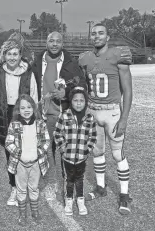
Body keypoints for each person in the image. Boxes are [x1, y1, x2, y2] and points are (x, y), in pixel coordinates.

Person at [78, 23, 133, 215]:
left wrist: (124, 118)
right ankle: (101, 188)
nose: (97, 36)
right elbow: (83, 86)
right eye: (94, 34)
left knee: (118, 155)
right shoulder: (85, 58)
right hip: (93, 111)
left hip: (112, 112)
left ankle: (124, 194)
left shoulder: (119, 55)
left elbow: (127, 90)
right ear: (90, 37)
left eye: (101, 33)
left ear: (108, 37)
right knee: (97, 152)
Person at [32, 31, 87, 201]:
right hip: (44, 115)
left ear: (62, 44)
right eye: (51, 41)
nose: (54, 44)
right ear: (46, 43)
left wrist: (66, 93)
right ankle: (51, 185)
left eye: (58, 41)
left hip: (65, 115)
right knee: (47, 153)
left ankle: (67, 186)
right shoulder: (37, 62)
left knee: (67, 153)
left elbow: (82, 86)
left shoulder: (71, 63)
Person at [0, 32, 38, 207]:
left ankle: (26, 184)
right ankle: (14, 187)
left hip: (22, 114)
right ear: (4, 55)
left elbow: (34, 97)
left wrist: (35, 118)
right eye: (9, 54)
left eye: (15, 54)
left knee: (25, 150)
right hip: (5, 114)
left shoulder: (27, 72)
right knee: (10, 153)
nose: (12, 57)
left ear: (20, 55)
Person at [5, 94, 50, 226]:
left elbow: (46, 141)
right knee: (21, 189)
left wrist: (38, 153)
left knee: (34, 187)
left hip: (36, 163)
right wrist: (20, 154)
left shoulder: (40, 123)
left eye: (29, 107)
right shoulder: (14, 124)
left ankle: (35, 212)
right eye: (23, 107)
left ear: (34, 108)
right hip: (20, 164)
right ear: (18, 110)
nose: (26, 110)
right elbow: (8, 143)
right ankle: (22, 214)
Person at [54, 87, 97, 216]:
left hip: (81, 157)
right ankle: (69, 200)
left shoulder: (89, 117)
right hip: (67, 156)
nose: (78, 103)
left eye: (81, 100)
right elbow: (57, 133)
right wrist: (62, 147)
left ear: (86, 102)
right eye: (75, 100)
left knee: (79, 179)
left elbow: (93, 136)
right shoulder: (65, 115)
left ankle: (80, 199)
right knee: (69, 179)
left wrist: (87, 150)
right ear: (71, 101)